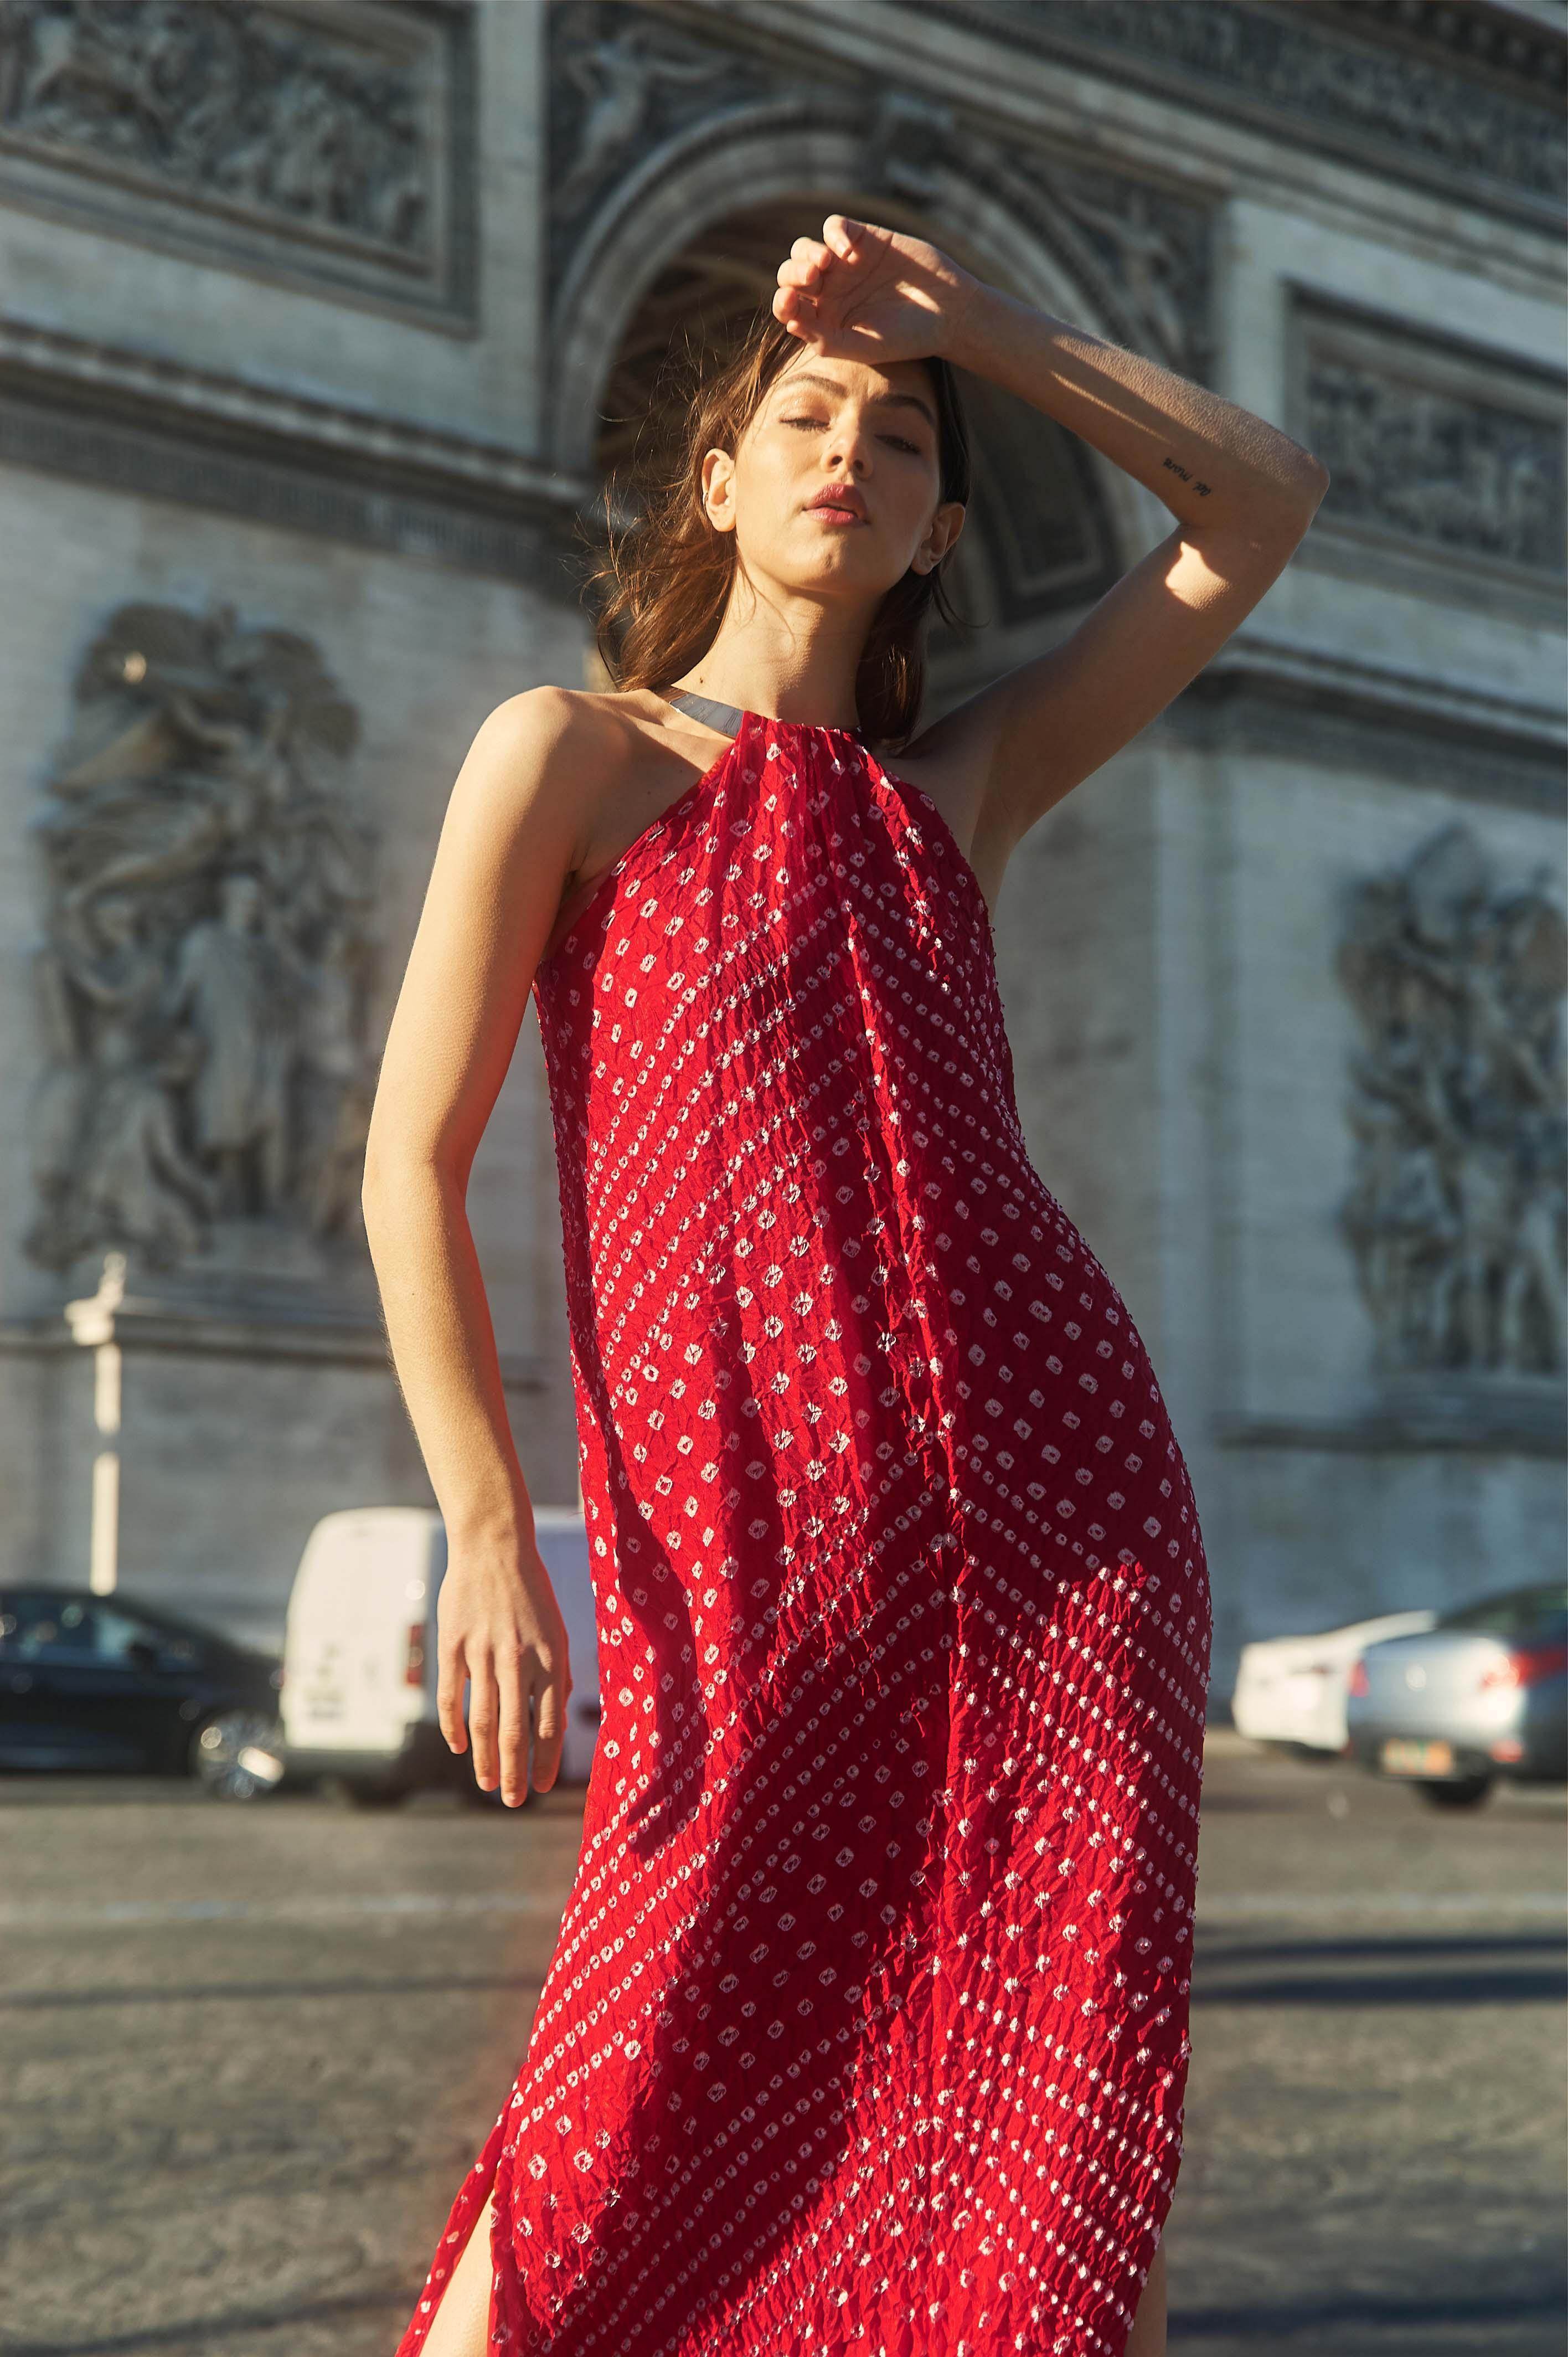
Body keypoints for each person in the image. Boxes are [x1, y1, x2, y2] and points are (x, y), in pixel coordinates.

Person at [366, 215, 1329, 2357]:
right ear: (714, 483)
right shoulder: (570, 755)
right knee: (614, 2096)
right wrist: (480, 1528)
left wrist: (977, 322)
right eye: (806, 418)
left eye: (901, 442)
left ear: (938, 534)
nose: (850, 455)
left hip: (1065, 1538)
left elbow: (1264, 503)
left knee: (1042, 2128)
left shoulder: (958, 791)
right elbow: (406, 1162)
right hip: (745, 1544)